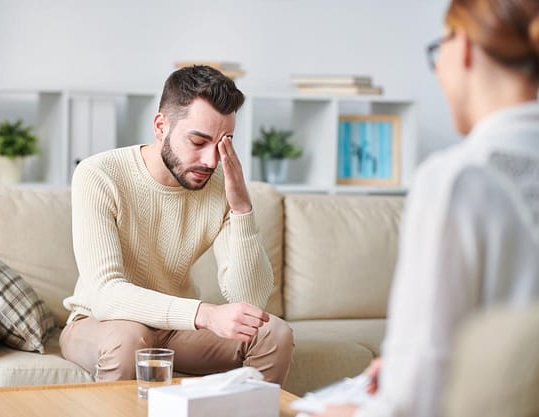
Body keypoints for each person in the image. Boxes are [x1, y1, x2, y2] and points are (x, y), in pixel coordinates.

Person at [314, 0, 539, 416]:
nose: (437, 70)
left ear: (466, 47)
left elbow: (413, 402)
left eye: (439, 49)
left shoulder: (457, 180)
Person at [59, 65, 294, 385]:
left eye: (223, 143)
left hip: (176, 331)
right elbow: (105, 294)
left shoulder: (220, 188)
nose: (211, 161)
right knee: (130, 340)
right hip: (102, 322)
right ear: (160, 126)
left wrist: (241, 208)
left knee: (273, 334)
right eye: (198, 141)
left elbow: (250, 301)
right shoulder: (99, 174)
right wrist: (206, 314)